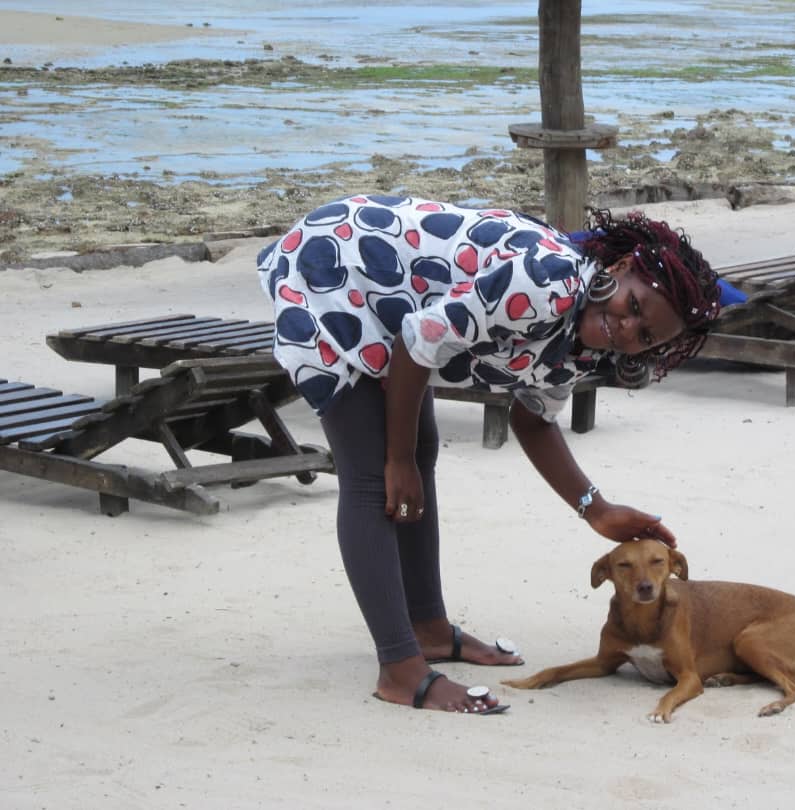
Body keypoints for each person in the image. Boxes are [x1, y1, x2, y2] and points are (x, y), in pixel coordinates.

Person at [256, 193, 720, 715]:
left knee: (419, 451)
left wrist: (597, 509)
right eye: (633, 306)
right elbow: (419, 340)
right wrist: (397, 460)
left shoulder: (585, 347)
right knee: (373, 472)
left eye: (646, 336)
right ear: (619, 269)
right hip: (334, 268)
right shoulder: (546, 283)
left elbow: (532, 418)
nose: (628, 328)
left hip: (400, 312)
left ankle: (428, 629)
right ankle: (400, 669)